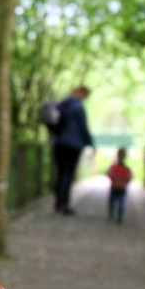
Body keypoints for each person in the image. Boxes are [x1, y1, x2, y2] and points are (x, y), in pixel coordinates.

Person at [49, 85, 94, 215]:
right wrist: (91, 144)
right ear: (81, 93)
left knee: (61, 173)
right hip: (73, 145)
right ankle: (65, 204)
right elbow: (83, 128)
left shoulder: (62, 104)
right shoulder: (78, 107)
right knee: (68, 174)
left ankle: (58, 202)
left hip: (58, 143)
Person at [107, 147, 132, 224]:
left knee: (112, 201)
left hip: (114, 187)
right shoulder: (127, 169)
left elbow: (109, 174)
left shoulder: (113, 167)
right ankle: (119, 216)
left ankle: (111, 214)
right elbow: (129, 178)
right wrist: (123, 182)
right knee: (121, 202)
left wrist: (115, 181)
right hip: (122, 188)